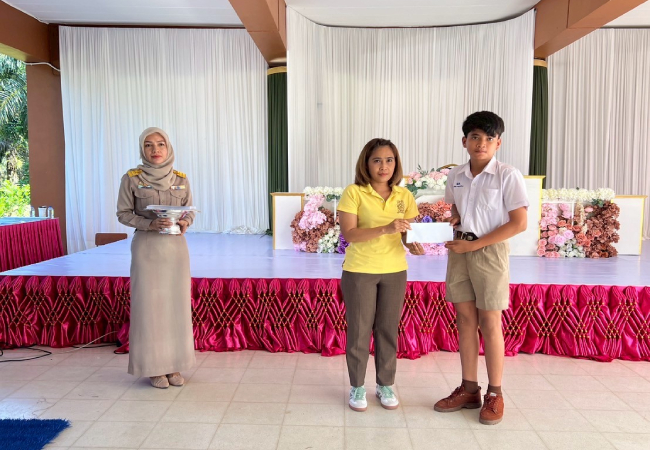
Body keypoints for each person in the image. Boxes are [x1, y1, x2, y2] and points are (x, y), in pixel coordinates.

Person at [434, 111, 528, 425]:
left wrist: (474, 245)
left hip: (489, 251)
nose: (481, 143)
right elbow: (457, 206)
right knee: (464, 319)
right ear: (465, 141)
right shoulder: (456, 175)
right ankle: (469, 388)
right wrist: (456, 217)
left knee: (490, 321)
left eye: (489, 138)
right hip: (460, 250)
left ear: (498, 143)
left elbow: (519, 223)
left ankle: (495, 393)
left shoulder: (507, 175)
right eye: (475, 137)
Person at [338, 138, 424, 412]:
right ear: (366, 163)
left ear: (396, 164)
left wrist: (413, 244)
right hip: (360, 271)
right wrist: (386, 229)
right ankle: (357, 386)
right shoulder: (354, 192)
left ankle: (385, 384)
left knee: (387, 330)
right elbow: (349, 233)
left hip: (395, 270)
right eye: (377, 160)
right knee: (360, 330)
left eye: (389, 160)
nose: (384, 166)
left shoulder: (404, 196)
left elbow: (407, 234)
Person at [116, 127, 196, 389]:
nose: (155, 150)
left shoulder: (181, 179)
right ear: (143, 149)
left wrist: (185, 222)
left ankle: (174, 365)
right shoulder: (132, 179)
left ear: (168, 147)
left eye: (160, 144)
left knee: (175, 306)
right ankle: (153, 367)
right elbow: (123, 213)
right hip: (147, 248)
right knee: (150, 307)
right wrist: (148, 224)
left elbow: (189, 211)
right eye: (149, 145)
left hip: (175, 248)